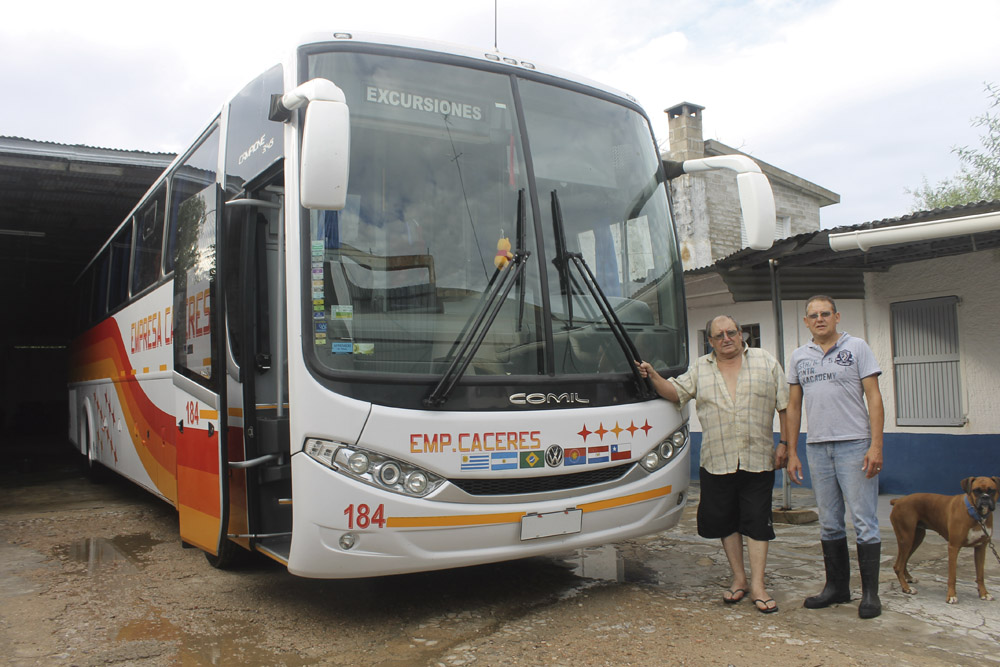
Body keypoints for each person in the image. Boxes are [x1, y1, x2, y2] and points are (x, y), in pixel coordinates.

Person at [637, 315, 788, 614]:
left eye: (731, 332)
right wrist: (653, 375)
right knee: (726, 522)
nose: (726, 338)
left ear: (741, 334)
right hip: (717, 459)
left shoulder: (765, 361)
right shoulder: (700, 368)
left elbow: (785, 403)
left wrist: (785, 443)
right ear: (710, 341)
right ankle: (739, 578)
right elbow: (675, 393)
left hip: (757, 457)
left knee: (757, 522)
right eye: (718, 335)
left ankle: (759, 584)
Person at [784, 295, 885, 619]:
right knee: (828, 522)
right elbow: (794, 406)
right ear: (805, 322)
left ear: (837, 317)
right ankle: (837, 587)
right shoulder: (800, 357)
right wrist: (792, 451)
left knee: (864, 521)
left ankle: (870, 595)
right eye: (813, 315)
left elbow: (874, 398)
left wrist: (876, 446)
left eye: (825, 314)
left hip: (855, 445)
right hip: (817, 448)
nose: (819, 319)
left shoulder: (857, 348)